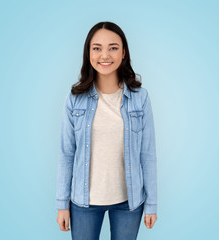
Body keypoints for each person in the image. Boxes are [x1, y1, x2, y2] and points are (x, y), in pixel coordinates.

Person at [56, 21, 157, 240]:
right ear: (88, 54)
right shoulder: (74, 100)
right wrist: (62, 204)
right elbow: (67, 154)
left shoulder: (140, 98)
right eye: (97, 48)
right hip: (84, 202)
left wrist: (152, 203)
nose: (105, 55)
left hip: (128, 202)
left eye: (113, 47)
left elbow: (147, 155)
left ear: (123, 53)